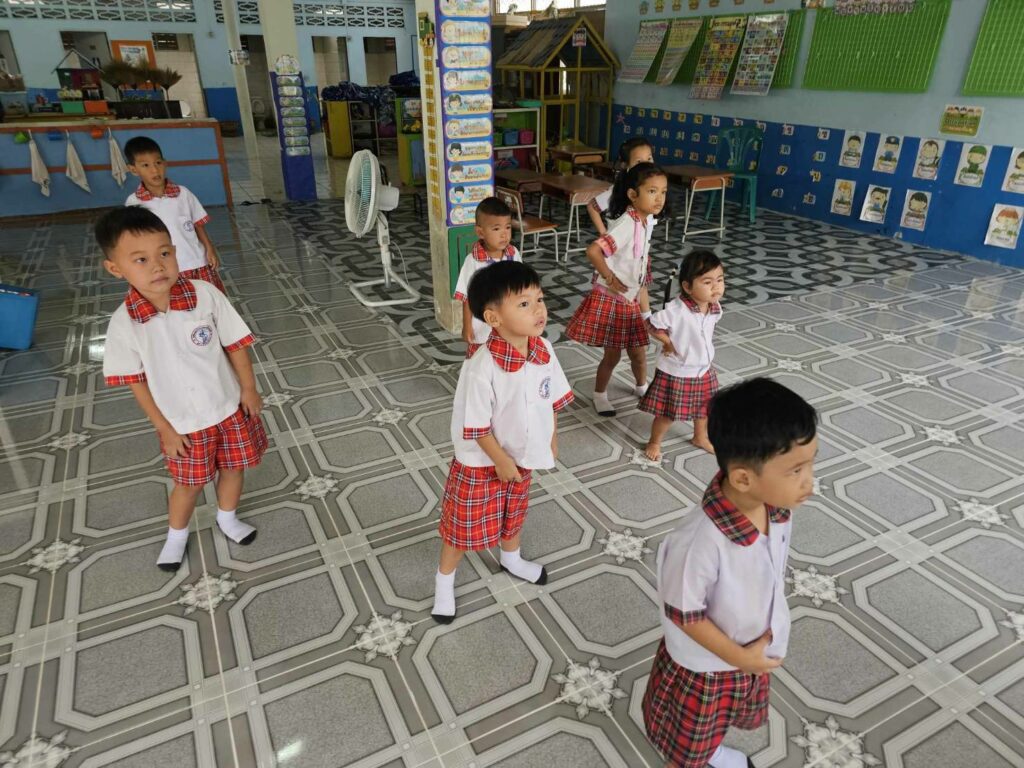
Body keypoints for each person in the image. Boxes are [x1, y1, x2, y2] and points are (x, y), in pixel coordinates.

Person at [643, 377, 818, 768]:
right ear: (742, 478)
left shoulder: (775, 509)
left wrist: (748, 658)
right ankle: (698, 757)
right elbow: (685, 615)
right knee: (687, 749)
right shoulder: (698, 543)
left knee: (715, 726)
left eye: (810, 463)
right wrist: (742, 658)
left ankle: (711, 751)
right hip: (707, 667)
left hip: (746, 651)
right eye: (795, 470)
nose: (810, 481)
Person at [97, 207, 265, 571]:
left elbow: (236, 343)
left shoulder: (205, 295)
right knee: (188, 485)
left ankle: (227, 518)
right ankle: (176, 536)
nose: (157, 266)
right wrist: (165, 428)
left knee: (234, 468)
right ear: (115, 268)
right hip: (182, 424)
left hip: (229, 408)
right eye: (140, 259)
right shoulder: (124, 323)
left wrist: (249, 389)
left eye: (164, 253)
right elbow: (135, 381)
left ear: (175, 251)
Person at [432, 261, 574, 623]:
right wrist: (500, 460)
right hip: (483, 461)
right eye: (524, 304)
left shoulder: (544, 350)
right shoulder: (482, 366)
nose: (538, 309)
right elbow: (477, 426)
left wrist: (551, 437)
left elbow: (551, 400)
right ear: (493, 318)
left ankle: (511, 558)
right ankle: (444, 581)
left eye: (539, 299)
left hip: (522, 454)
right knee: (463, 524)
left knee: (514, 510)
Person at [566, 163, 668, 417]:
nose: (659, 198)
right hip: (613, 299)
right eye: (652, 191)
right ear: (633, 195)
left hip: (630, 299)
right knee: (612, 356)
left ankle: (642, 387)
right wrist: (609, 278)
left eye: (663, 192)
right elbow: (594, 251)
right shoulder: (627, 224)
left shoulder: (644, 221)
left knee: (638, 353)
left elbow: (639, 272)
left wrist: (645, 311)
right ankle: (599, 395)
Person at [640, 250, 724, 459]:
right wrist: (668, 342)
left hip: (703, 369)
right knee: (668, 413)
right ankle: (654, 442)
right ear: (687, 287)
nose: (716, 287)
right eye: (707, 282)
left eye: (720, 280)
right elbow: (651, 324)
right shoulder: (676, 311)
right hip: (677, 371)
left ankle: (700, 437)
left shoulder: (714, 307)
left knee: (703, 408)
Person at [123, 136, 225, 293]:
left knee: (210, 299)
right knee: (179, 305)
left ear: (165, 163)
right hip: (165, 269)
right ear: (133, 169)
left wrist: (209, 248)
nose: (154, 170)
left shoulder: (183, 194)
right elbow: (135, 240)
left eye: (158, 163)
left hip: (197, 261)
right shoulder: (134, 203)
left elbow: (198, 224)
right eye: (145, 165)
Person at [453, 197, 521, 359]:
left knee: (508, 359)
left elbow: (522, 288)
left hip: (510, 323)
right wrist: (467, 326)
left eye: (508, 227)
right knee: (480, 360)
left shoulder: (514, 254)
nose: (504, 234)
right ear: (480, 232)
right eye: (496, 229)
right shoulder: (473, 261)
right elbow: (467, 297)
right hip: (482, 327)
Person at [587, 137, 655, 237]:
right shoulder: (620, 189)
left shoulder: (653, 187)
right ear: (625, 165)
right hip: (619, 246)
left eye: (649, 159)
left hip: (642, 244)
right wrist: (603, 233)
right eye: (639, 162)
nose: (646, 165)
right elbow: (592, 207)